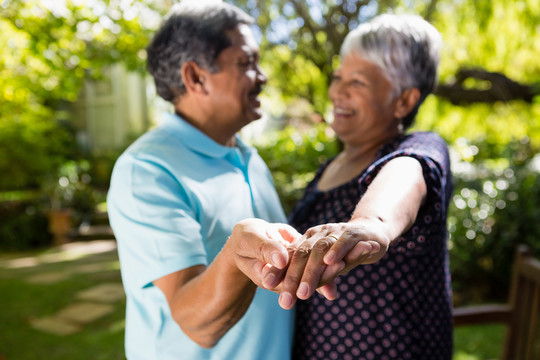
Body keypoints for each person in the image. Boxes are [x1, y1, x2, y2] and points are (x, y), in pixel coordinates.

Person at [107, 1, 301, 359]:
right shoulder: (147, 169)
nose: (263, 76)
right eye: (246, 63)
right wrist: (237, 254)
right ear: (195, 77)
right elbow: (197, 323)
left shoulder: (248, 156)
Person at [263, 13, 453, 360]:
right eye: (338, 77)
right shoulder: (329, 168)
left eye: (359, 82)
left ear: (404, 101)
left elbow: (405, 176)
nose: (338, 91)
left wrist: (370, 224)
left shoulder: (419, 148)